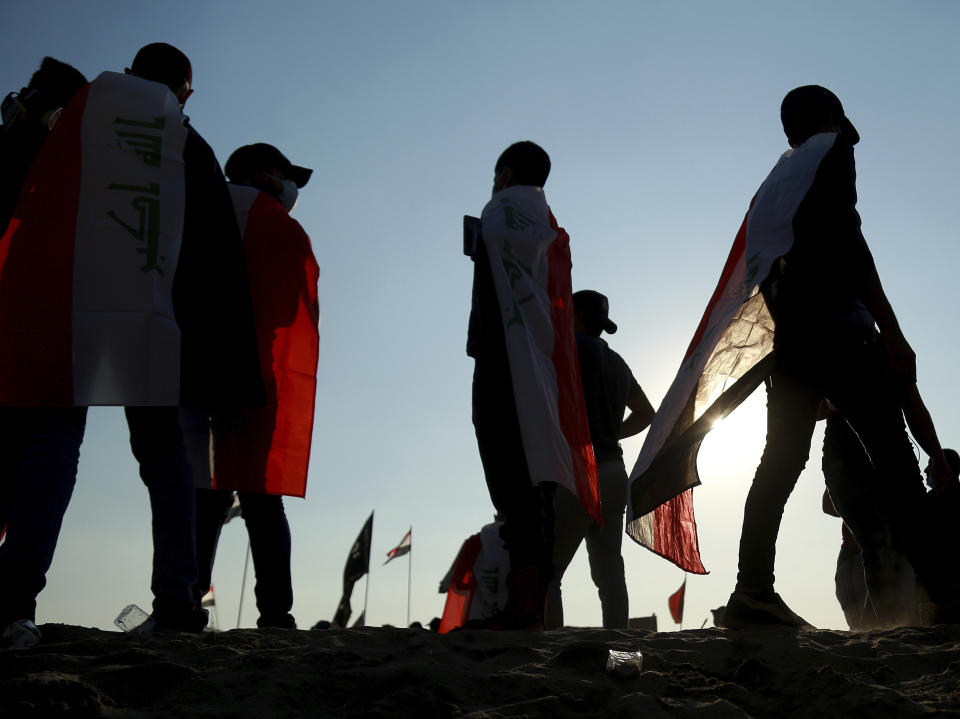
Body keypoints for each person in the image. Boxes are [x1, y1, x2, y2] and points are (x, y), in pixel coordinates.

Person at [0, 43, 263, 648]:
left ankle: (13, 603)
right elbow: (212, 258)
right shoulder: (190, 144)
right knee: (163, 451)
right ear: (184, 91)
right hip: (154, 318)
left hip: (73, 303)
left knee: (53, 438)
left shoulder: (83, 113)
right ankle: (176, 600)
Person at [721, 85, 954, 629]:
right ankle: (942, 591)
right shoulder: (831, 154)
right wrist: (892, 331)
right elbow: (850, 243)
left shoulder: (774, 184)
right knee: (895, 462)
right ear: (830, 118)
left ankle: (751, 589)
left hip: (792, 344)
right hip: (843, 334)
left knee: (779, 462)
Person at [181, 142, 319, 630]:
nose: (291, 188)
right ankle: (275, 615)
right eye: (285, 176)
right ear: (263, 175)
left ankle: (184, 602)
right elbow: (290, 309)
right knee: (262, 499)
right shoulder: (277, 225)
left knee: (202, 494)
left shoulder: (191, 203)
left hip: (194, 369)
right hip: (255, 374)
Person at [466, 141, 595, 629]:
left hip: (506, 359)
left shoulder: (501, 210)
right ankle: (529, 604)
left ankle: (523, 606)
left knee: (511, 475)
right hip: (534, 361)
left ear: (504, 173)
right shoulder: (547, 222)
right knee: (532, 479)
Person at [0, 57, 88, 537]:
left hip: (42, 335)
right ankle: (13, 595)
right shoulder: (77, 171)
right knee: (46, 445)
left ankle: (12, 593)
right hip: (46, 337)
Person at [545, 290, 655, 629]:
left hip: (578, 470)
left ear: (575, 316)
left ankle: (549, 646)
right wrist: (610, 432)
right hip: (613, 471)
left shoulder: (569, 350)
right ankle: (618, 642)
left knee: (549, 570)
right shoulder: (618, 363)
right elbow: (646, 413)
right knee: (609, 571)